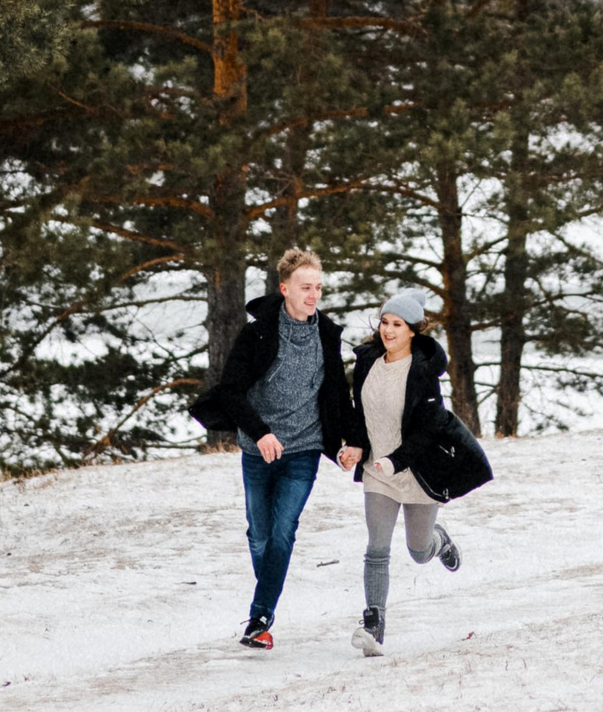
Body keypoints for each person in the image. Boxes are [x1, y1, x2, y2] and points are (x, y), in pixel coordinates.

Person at [188, 247, 362, 651]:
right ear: (285, 289)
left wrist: (352, 441)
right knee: (259, 536)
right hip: (258, 448)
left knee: (284, 531)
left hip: (303, 449)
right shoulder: (259, 333)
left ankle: (260, 617)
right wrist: (261, 432)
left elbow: (337, 395)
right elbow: (231, 390)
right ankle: (265, 601)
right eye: (305, 287)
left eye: (318, 287)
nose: (313, 294)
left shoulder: (326, 335)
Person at [347, 290, 466, 657]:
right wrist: (355, 445)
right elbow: (358, 414)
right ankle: (374, 623)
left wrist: (397, 460)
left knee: (417, 551)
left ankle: (438, 540)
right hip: (378, 471)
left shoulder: (424, 371)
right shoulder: (367, 361)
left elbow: (428, 430)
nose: (388, 329)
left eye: (397, 324)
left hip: (418, 471)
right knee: (377, 548)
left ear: (413, 330)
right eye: (384, 322)